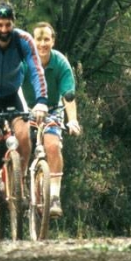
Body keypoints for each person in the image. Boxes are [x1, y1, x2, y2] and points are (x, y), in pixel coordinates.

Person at [0, 3, 48, 207]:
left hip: (13, 92)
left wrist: (41, 101)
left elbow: (36, 70)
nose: (4, 30)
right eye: (0, 25)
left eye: (8, 25)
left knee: (24, 134)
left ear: (13, 23)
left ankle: (19, 181)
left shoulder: (23, 40)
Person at [21, 22, 81, 217]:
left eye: (47, 39)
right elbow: (13, 86)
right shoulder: (24, 62)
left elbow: (68, 96)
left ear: (53, 41)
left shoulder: (61, 63)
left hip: (53, 110)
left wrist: (73, 120)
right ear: (32, 41)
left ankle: (54, 196)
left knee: (53, 145)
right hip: (25, 108)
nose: (42, 43)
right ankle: (17, 183)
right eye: (38, 39)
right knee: (20, 142)